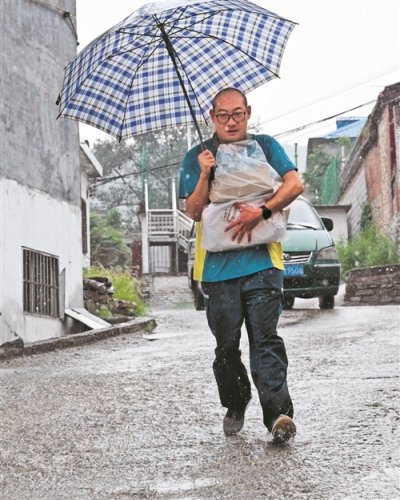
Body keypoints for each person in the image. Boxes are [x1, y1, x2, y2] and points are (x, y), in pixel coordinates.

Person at [179, 88, 303, 443]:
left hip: (263, 263)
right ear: (211, 117)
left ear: (248, 112)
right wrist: (205, 174)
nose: (231, 122)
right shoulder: (197, 156)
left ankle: (278, 415)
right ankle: (236, 402)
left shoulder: (266, 146)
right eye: (223, 115)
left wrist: (261, 212)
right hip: (217, 270)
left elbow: (295, 185)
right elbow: (194, 211)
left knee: (265, 340)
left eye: (237, 114)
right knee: (226, 347)